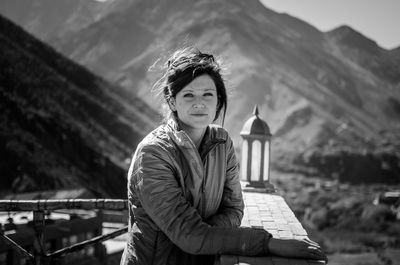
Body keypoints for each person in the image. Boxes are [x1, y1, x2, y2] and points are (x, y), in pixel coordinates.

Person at [120, 47, 327, 265]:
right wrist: (267, 244)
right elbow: (189, 235)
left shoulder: (221, 142)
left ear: (218, 101)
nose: (199, 103)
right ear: (172, 102)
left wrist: (204, 237)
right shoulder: (154, 154)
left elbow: (234, 210)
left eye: (207, 94)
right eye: (188, 95)